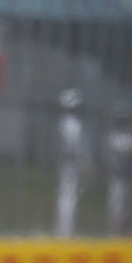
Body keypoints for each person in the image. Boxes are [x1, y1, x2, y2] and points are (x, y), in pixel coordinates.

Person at [103, 102, 132, 236]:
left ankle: (124, 232)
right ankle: (115, 232)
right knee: (116, 206)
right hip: (117, 175)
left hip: (130, 175)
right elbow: (113, 151)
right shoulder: (113, 135)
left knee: (126, 207)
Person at [55, 88, 86, 236]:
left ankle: (64, 229)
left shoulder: (63, 123)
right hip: (72, 164)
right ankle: (66, 230)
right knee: (70, 197)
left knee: (65, 196)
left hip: (65, 163)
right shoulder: (74, 124)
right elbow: (78, 148)